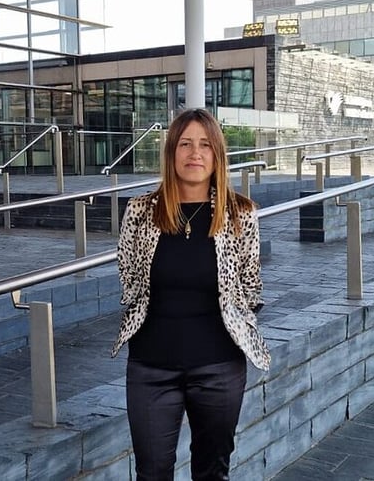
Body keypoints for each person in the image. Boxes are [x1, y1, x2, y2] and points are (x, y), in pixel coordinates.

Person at [111, 108, 271, 480]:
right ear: (171, 153)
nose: (194, 153)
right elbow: (129, 276)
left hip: (218, 367)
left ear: (217, 155)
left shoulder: (240, 214)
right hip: (151, 366)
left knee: (212, 472)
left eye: (204, 145)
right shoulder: (140, 212)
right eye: (185, 144)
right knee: (151, 473)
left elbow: (250, 287)